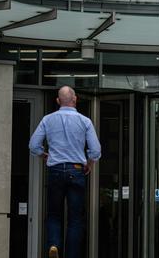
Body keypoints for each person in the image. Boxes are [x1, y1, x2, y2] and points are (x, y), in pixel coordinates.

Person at [29, 86, 101, 258]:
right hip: (77, 170)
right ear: (75, 99)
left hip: (55, 169)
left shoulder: (48, 119)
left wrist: (43, 155)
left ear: (57, 101)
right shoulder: (85, 121)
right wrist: (89, 162)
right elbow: (96, 150)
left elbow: (33, 145)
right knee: (75, 219)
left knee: (54, 214)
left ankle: (54, 245)